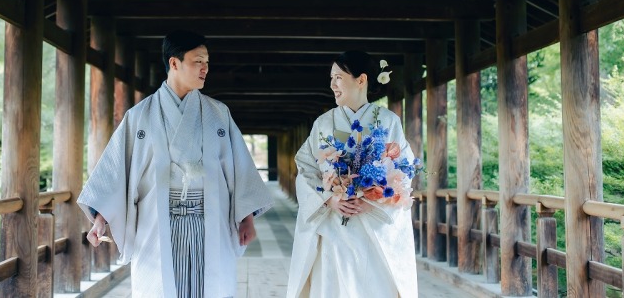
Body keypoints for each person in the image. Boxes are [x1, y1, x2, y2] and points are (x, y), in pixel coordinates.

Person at [77, 30, 273, 298]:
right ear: (174, 63)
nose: (205, 68)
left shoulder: (218, 114)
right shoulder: (140, 117)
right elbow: (117, 171)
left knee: (210, 289)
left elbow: (238, 169)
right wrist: (100, 219)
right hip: (157, 223)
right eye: (198, 61)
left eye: (207, 62)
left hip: (210, 219)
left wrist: (246, 218)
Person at [286, 50, 419, 298]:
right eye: (331, 78)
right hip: (334, 223)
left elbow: (403, 171)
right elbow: (306, 169)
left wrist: (373, 198)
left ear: (361, 79)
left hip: (373, 224)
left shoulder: (388, 122)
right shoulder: (323, 124)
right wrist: (329, 199)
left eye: (338, 77)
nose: (332, 84)